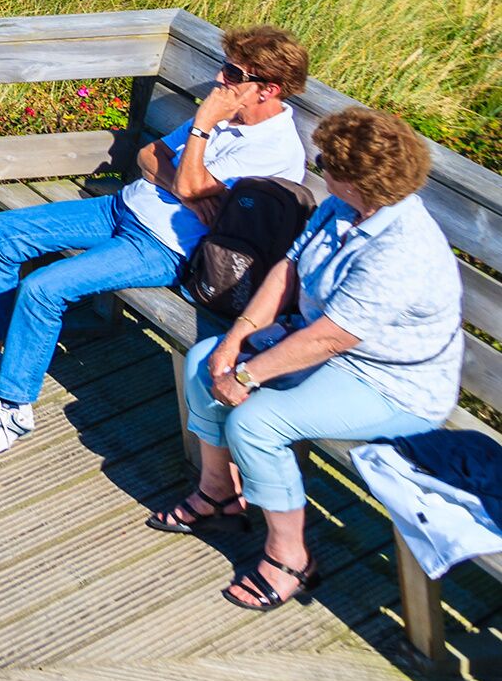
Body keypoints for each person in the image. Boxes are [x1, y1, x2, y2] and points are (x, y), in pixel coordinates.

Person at [0, 24, 311, 453]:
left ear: (267, 89)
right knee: (2, 232)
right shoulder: (226, 114)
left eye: (234, 75)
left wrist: (199, 132)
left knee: (44, 289)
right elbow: (148, 157)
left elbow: (193, 182)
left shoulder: (270, 146)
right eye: (224, 68)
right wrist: (185, 187)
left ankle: (12, 409)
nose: (220, 80)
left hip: (164, 245)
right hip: (120, 208)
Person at [155, 106, 459, 611]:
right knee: (205, 363)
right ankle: (219, 495)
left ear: (356, 180)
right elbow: (287, 272)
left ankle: (290, 556)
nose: (318, 164)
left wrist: (249, 374)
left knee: (257, 422)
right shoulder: (341, 208)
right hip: (315, 344)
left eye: (325, 162)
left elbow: (334, 338)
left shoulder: (403, 248)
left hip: (391, 382)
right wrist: (236, 339)